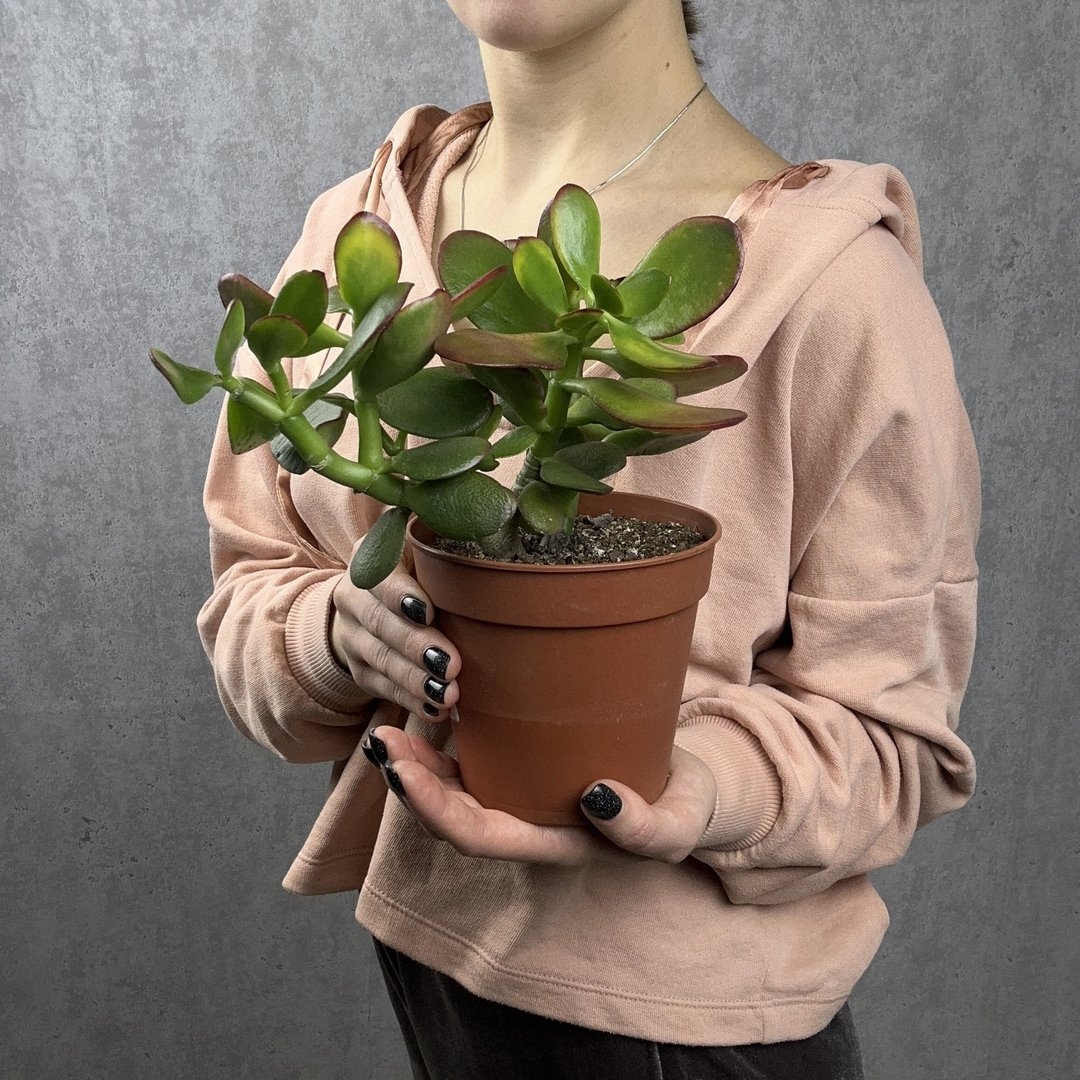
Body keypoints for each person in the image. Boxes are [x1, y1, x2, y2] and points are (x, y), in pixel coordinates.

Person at [195, 1, 982, 1076]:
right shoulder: (354, 238)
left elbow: (896, 740)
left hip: (689, 1025)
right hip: (438, 963)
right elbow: (254, 584)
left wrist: (698, 784)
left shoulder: (839, 289)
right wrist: (331, 636)